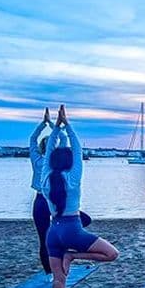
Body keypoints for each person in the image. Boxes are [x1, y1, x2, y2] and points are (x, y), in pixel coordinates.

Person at [43, 105, 119, 288]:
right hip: (72, 229)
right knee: (112, 254)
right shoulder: (73, 178)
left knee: (59, 279)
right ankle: (74, 255)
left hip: (53, 231)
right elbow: (77, 148)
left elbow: (49, 151)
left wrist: (56, 129)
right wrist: (66, 125)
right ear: (70, 162)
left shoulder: (45, 177)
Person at [29, 107, 91, 278]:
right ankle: (57, 259)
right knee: (55, 234)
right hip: (55, 200)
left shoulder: (39, 161)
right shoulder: (51, 165)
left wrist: (45, 124)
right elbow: (65, 141)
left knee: (44, 240)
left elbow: (32, 139)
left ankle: (49, 274)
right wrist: (57, 124)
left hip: (43, 200)